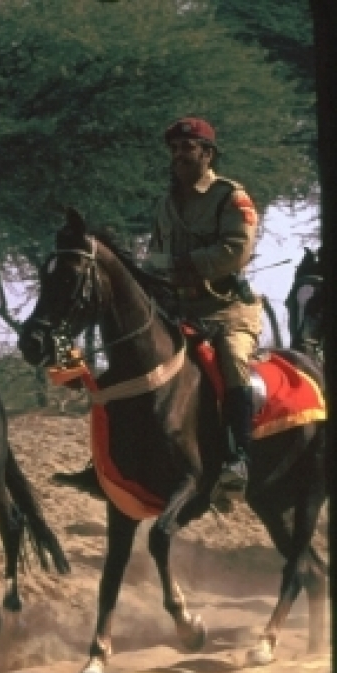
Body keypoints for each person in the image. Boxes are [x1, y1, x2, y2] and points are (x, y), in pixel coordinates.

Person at [56, 117, 262, 498]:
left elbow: (237, 250)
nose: (179, 155)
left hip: (226, 310)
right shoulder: (166, 203)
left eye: (187, 148)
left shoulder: (230, 197)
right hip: (178, 308)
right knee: (128, 364)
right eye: (175, 149)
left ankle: (238, 458)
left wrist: (182, 264)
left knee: (233, 359)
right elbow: (155, 254)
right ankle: (108, 462)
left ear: (207, 153)